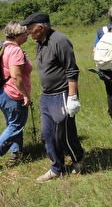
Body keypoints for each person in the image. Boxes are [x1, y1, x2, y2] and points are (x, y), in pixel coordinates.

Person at [21, 12, 84, 182]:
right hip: (47, 96)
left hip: (62, 94)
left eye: (30, 29)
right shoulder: (40, 42)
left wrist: (72, 97)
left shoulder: (60, 41)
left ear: (40, 27)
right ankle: (57, 168)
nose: (28, 33)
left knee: (62, 134)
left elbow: (72, 70)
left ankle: (77, 159)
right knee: (47, 134)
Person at [0, 21, 32, 166]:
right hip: (14, 93)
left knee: (12, 123)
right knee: (15, 125)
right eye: (25, 32)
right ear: (16, 35)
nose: (28, 34)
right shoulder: (15, 51)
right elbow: (16, 76)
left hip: (4, 92)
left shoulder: (5, 47)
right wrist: (25, 94)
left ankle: (16, 153)